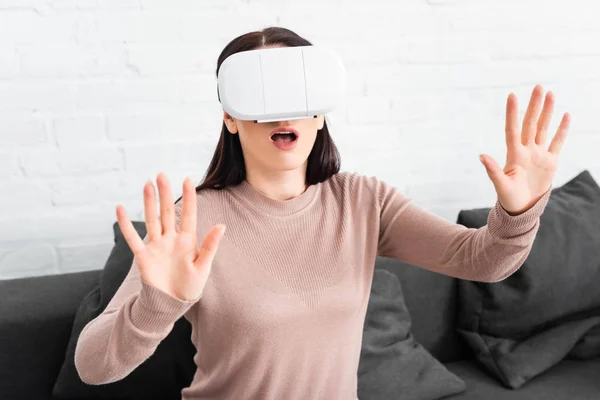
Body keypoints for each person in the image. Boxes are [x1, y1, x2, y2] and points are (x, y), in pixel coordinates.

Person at [74, 26, 570, 399]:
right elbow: (94, 366)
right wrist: (157, 304)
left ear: (320, 110)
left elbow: (481, 260)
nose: (283, 112)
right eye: (262, 94)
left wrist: (518, 209)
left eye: (297, 93)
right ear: (229, 114)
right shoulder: (194, 221)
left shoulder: (362, 200)